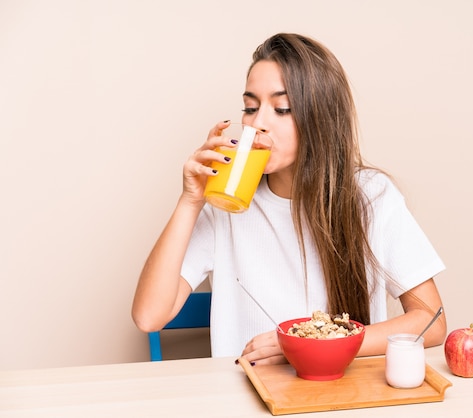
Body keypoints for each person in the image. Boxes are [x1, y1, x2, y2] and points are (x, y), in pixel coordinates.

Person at [132, 33, 447, 366]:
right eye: (250, 108)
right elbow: (149, 317)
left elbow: (432, 320)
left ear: (319, 119)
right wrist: (190, 200)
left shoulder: (371, 197)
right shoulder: (225, 207)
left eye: (281, 109)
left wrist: (306, 343)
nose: (258, 123)